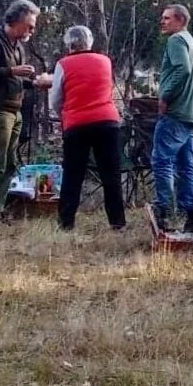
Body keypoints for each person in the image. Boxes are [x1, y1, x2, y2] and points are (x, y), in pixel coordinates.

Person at [50, 25, 127, 232]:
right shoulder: (105, 61)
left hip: (77, 124)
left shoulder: (63, 64)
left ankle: (66, 223)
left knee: (73, 175)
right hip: (107, 121)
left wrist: (64, 113)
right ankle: (117, 222)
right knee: (111, 174)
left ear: (69, 44)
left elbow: (55, 98)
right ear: (90, 42)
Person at [0, 0, 40, 220]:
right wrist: (12, 71)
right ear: (16, 22)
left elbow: (15, 78)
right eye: (29, 26)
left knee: (10, 163)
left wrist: (35, 82)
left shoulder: (18, 46)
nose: (32, 30)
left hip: (15, 109)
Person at [151, 4, 193, 230]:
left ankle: (164, 210)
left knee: (162, 160)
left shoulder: (176, 40)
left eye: (167, 18)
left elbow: (183, 69)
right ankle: (187, 210)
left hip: (175, 113)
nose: (162, 21)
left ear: (180, 20)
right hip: (192, 115)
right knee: (186, 165)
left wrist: (165, 96)